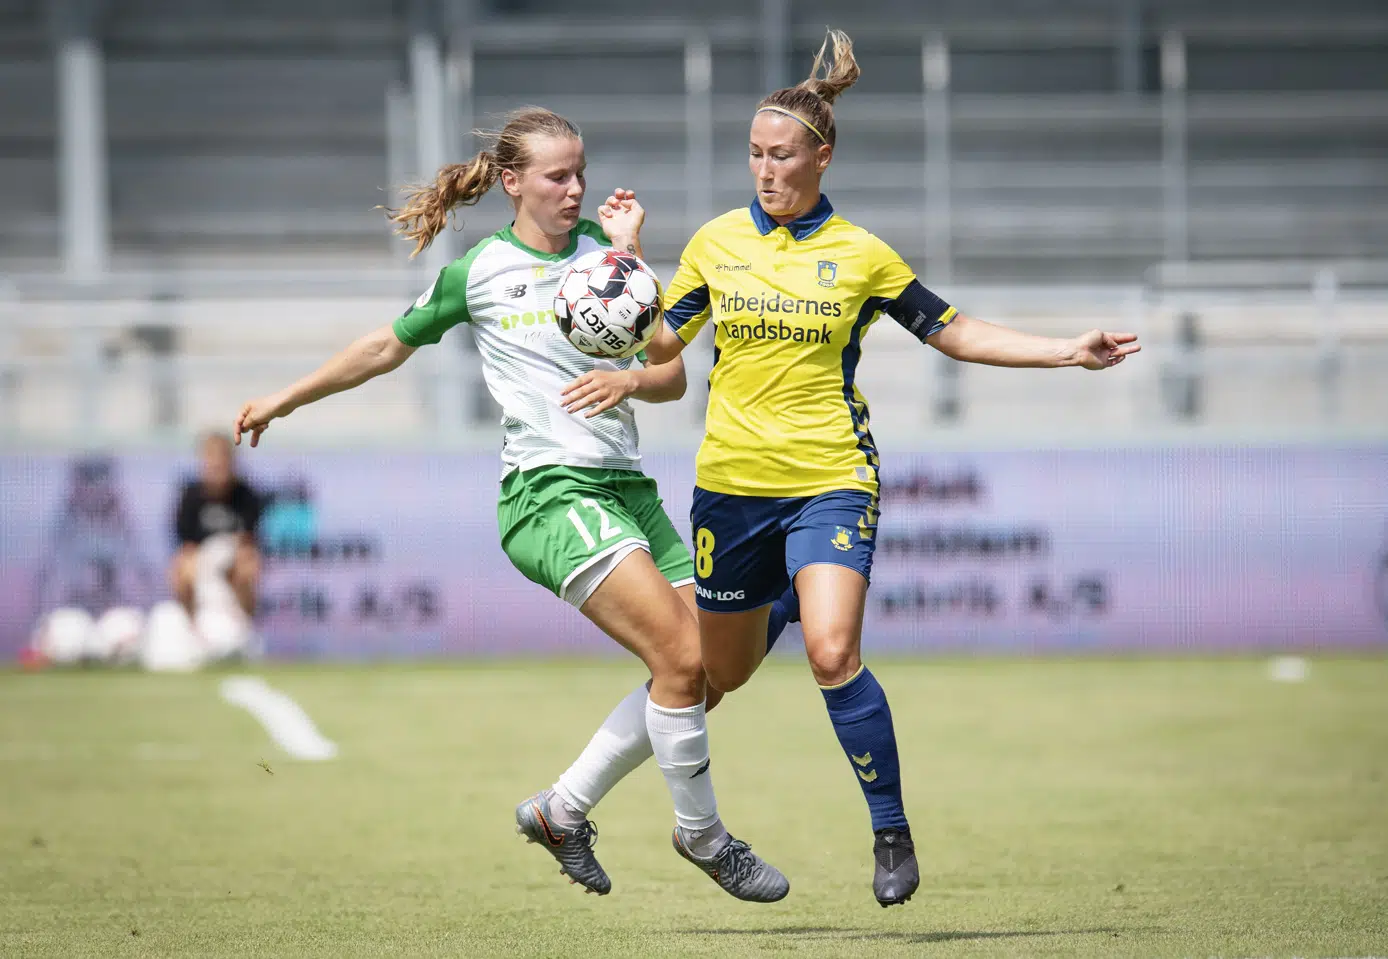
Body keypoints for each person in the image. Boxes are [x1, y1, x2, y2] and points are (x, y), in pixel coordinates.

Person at [231, 108, 789, 903]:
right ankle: (703, 836)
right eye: (558, 175)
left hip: (625, 487)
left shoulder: (607, 255)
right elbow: (388, 344)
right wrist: (287, 398)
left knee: (713, 673)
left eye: (581, 172)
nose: (576, 189)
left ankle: (563, 809)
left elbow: (670, 376)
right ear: (512, 181)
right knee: (683, 659)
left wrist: (630, 278)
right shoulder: (482, 271)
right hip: (546, 492)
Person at [642, 30, 1142, 907]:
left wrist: (1067, 351)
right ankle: (787, 598)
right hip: (729, 489)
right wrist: (619, 282)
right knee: (720, 676)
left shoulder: (865, 254)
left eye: (782, 155)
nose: (765, 170)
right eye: (754, 154)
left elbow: (951, 329)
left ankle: (890, 830)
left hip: (832, 476)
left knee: (834, 653)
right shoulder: (716, 243)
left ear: (821, 157)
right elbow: (662, 349)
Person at [171, 432, 264, 618]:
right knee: (181, 568)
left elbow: (248, 540)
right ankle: (191, 626)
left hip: (233, 556)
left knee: (248, 566)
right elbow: (186, 542)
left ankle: (244, 623)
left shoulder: (246, 495)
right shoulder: (191, 495)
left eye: (221, 460)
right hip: (201, 557)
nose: (217, 466)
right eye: (211, 460)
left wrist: (228, 554)